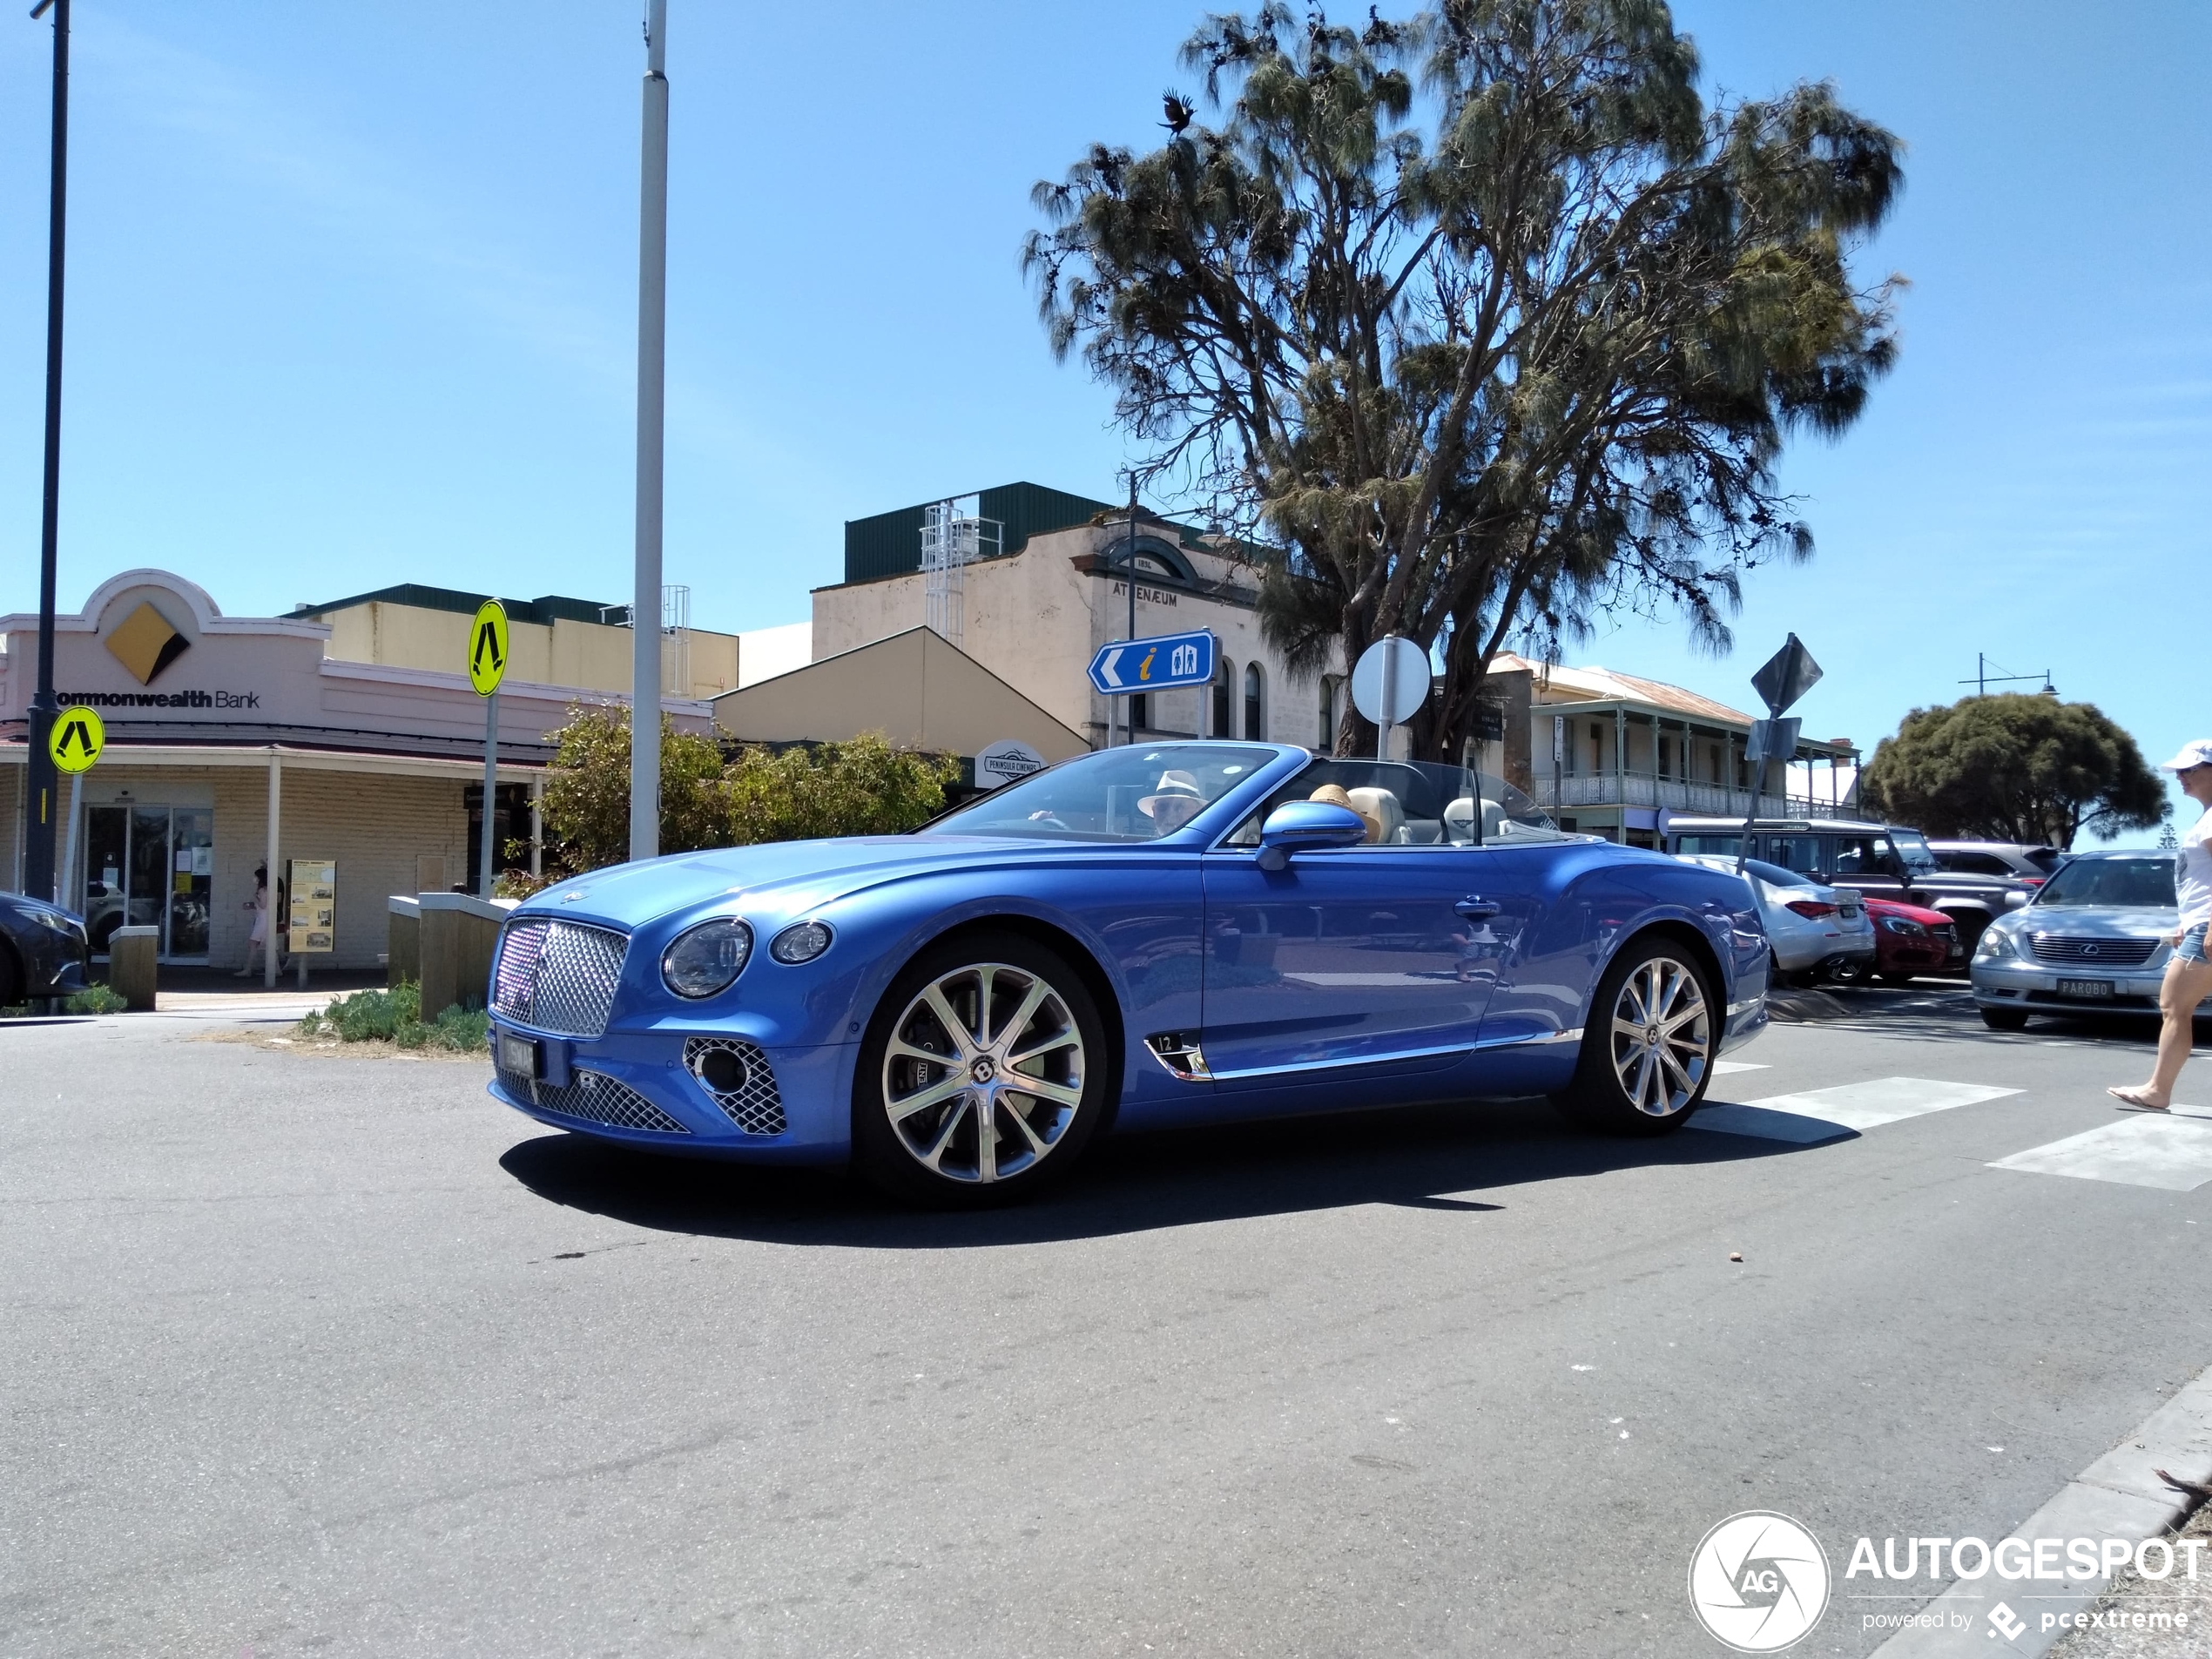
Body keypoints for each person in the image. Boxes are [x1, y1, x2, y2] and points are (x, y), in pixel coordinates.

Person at [2110, 740, 2212, 1110]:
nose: (2181, 777)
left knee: (2173, 1005)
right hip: (2199, 925)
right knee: (2175, 1006)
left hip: (2208, 927)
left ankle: (2158, 1091)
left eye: (2190, 770)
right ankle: (2157, 1089)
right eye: (2180, 771)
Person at [236, 863, 277, 980]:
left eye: (256, 877)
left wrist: (255, 898)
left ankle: (248, 969)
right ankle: (275, 969)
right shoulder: (267, 889)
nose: (254, 879)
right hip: (264, 917)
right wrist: (253, 906)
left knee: (253, 943)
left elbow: (263, 905)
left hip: (263, 920)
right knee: (264, 944)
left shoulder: (263, 890)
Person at [1138, 770, 1207, 835]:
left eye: (1180, 807)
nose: (1170, 815)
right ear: (1154, 811)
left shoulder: (1213, 844)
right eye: (1162, 807)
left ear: (1197, 811)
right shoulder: (1145, 846)